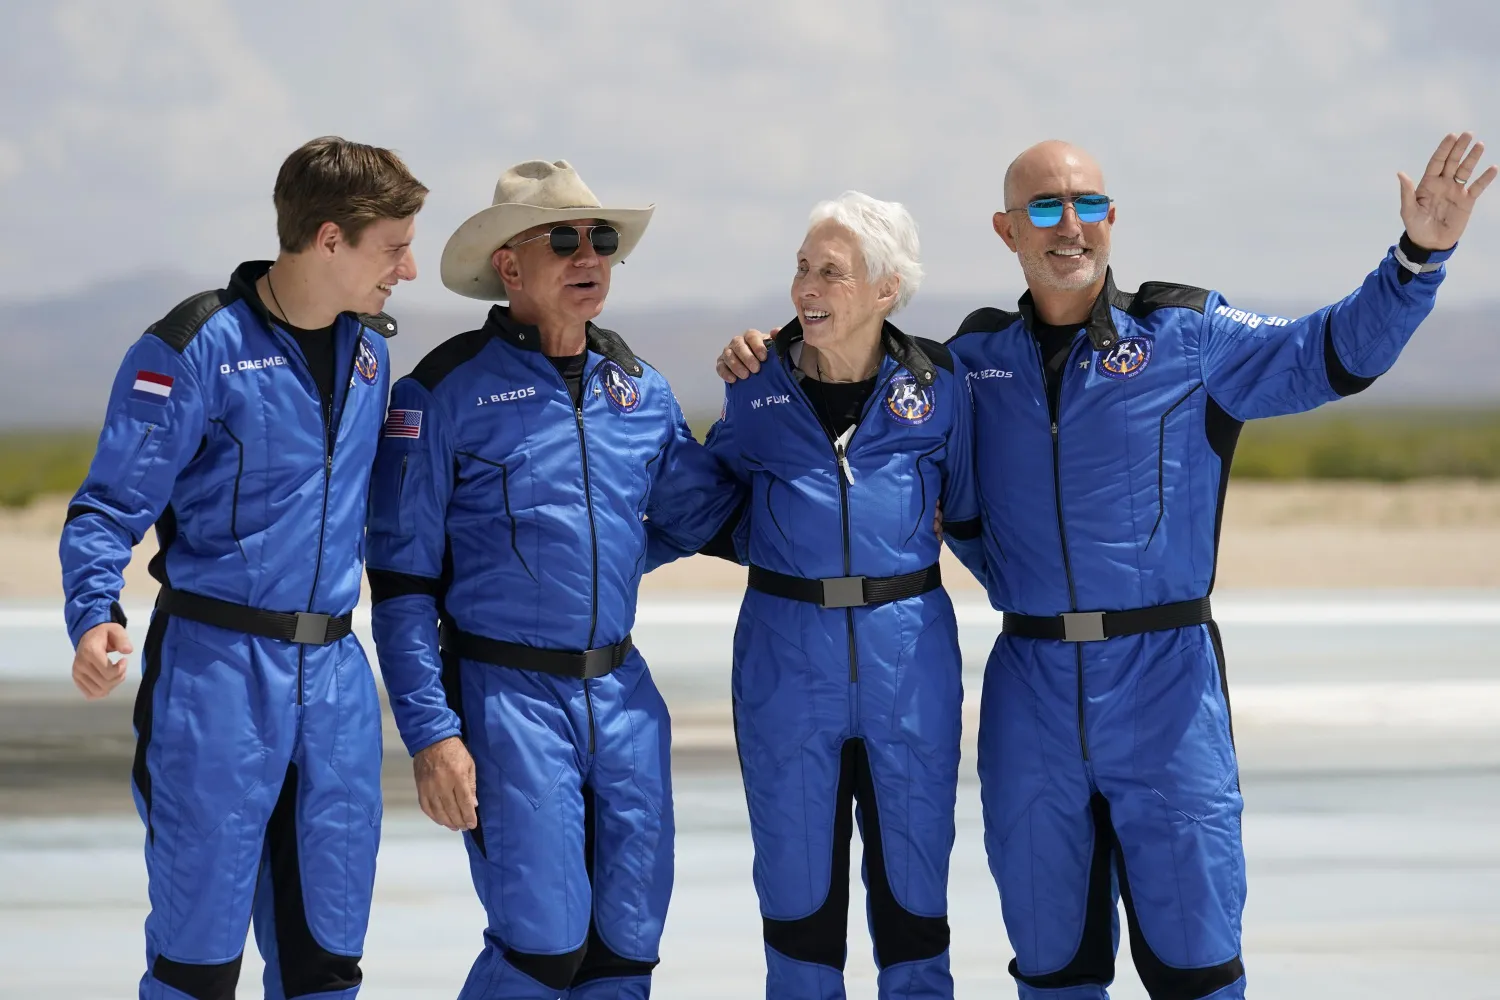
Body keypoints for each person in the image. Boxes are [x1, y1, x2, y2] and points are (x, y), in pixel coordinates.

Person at [715, 132, 1494, 999]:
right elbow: (862, 390)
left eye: (1087, 205)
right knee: (1053, 969)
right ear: (1007, 231)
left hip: (1163, 688)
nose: (1070, 226)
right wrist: (771, 353)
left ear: (1113, 220)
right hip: (1032, 690)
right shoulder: (972, 366)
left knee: (1195, 968)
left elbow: (1331, 353)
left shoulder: (1187, 336)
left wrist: (1417, 258)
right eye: (1044, 208)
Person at [364, 159, 744, 999]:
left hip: (624, 695)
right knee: (542, 948)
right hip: (505, 699)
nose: (590, 256)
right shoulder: (440, 393)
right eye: (565, 239)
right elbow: (397, 587)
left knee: (625, 947)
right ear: (508, 264)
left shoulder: (637, 388)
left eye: (602, 239)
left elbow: (708, 512)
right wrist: (432, 736)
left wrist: (775, 398)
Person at [59, 136, 426, 999]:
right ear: (329, 239)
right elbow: (109, 505)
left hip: (335, 686)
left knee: (326, 964)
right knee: (196, 966)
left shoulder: (373, 356)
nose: (408, 271)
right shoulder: (193, 348)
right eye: (394, 248)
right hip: (216, 681)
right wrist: (92, 611)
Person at [701, 191, 980, 999]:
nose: (806, 287)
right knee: (798, 908)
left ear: (886, 290)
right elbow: (710, 502)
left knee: (914, 907)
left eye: (831, 271)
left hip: (910, 671)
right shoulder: (753, 386)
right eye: (801, 268)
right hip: (786, 675)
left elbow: (965, 510)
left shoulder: (942, 386)